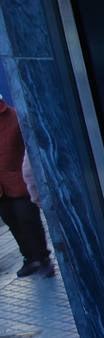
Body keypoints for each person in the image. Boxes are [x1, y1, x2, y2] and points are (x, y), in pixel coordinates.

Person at [0, 93, 54, 278]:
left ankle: (43, 259)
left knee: (28, 220)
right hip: (2, 188)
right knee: (12, 222)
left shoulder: (15, 117)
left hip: (19, 181)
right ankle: (30, 258)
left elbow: (30, 146)